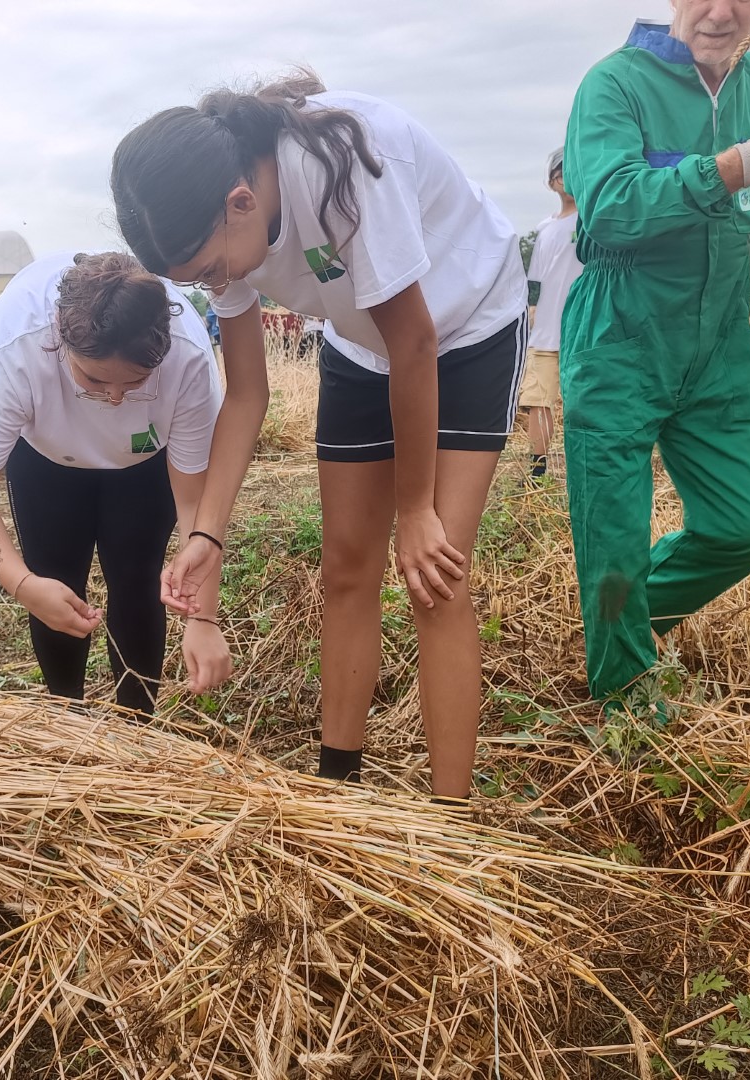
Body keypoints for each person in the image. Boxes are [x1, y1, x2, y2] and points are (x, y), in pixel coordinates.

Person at [111, 73, 528, 801]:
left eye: (210, 270)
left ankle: (448, 817)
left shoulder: (345, 167)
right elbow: (246, 395)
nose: (216, 285)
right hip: (365, 343)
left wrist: (416, 508)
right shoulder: (228, 221)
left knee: (435, 576)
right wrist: (206, 536)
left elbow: (417, 345)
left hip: (463, 330)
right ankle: (338, 788)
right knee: (344, 567)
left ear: (241, 203)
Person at [562, 1, 750, 707]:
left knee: (749, 526)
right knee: (614, 541)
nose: (721, 11)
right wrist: (738, 164)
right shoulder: (614, 84)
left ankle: (624, 626)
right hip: (623, 333)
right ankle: (623, 706)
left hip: (718, 341)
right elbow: (611, 204)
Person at [0, 251, 232, 712]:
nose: (115, 400)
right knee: (53, 578)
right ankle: (66, 716)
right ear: (60, 337)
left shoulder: (188, 355)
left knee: (138, 579)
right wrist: (22, 584)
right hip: (45, 457)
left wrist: (205, 617)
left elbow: (198, 507)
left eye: (135, 382)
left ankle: (135, 723)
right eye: (95, 379)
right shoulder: (14, 347)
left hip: (145, 462)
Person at [519, 146, 582, 484]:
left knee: (580, 402)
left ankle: (581, 461)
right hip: (545, 330)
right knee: (538, 400)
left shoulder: (591, 221)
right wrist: (531, 313)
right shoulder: (545, 228)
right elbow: (536, 282)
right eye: (560, 173)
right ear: (552, 182)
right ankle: (538, 469)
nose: (565, 178)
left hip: (584, 330)